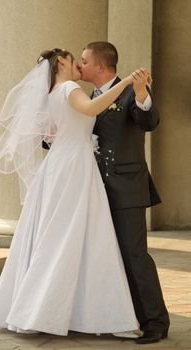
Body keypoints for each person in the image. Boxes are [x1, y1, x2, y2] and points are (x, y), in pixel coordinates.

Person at [0, 48, 150, 336]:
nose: (79, 67)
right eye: (76, 61)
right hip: (74, 166)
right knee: (81, 234)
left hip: (60, 166)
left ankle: (46, 310)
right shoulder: (70, 88)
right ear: (61, 62)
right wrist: (126, 84)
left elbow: (52, 134)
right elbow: (90, 110)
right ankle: (99, 316)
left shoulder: (49, 95)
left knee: (65, 235)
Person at [79, 41, 169, 344]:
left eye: (84, 61)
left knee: (134, 256)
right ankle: (120, 316)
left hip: (127, 188)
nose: (80, 66)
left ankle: (156, 322)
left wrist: (143, 96)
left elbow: (149, 121)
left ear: (101, 66)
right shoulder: (86, 97)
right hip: (92, 191)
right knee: (106, 257)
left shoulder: (132, 90)